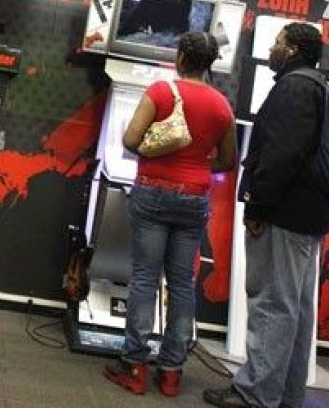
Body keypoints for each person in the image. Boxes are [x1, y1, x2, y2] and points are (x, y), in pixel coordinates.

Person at [203, 23, 329, 408]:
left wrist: (258, 205)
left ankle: (255, 393)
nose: (272, 48)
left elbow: (281, 153)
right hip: (310, 215)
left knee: (272, 303)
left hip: (284, 214)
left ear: (294, 49)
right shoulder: (322, 87)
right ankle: (286, 395)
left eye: (278, 42)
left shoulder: (295, 88)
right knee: (294, 307)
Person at [104, 32, 237, 397]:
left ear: (180, 57)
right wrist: (196, 165)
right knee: (182, 284)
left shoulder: (162, 92)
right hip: (195, 198)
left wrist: (159, 153)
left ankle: (133, 364)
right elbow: (228, 160)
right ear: (210, 63)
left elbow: (131, 140)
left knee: (146, 278)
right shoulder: (222, 105)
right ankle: (172, 371)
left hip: (153, 191)